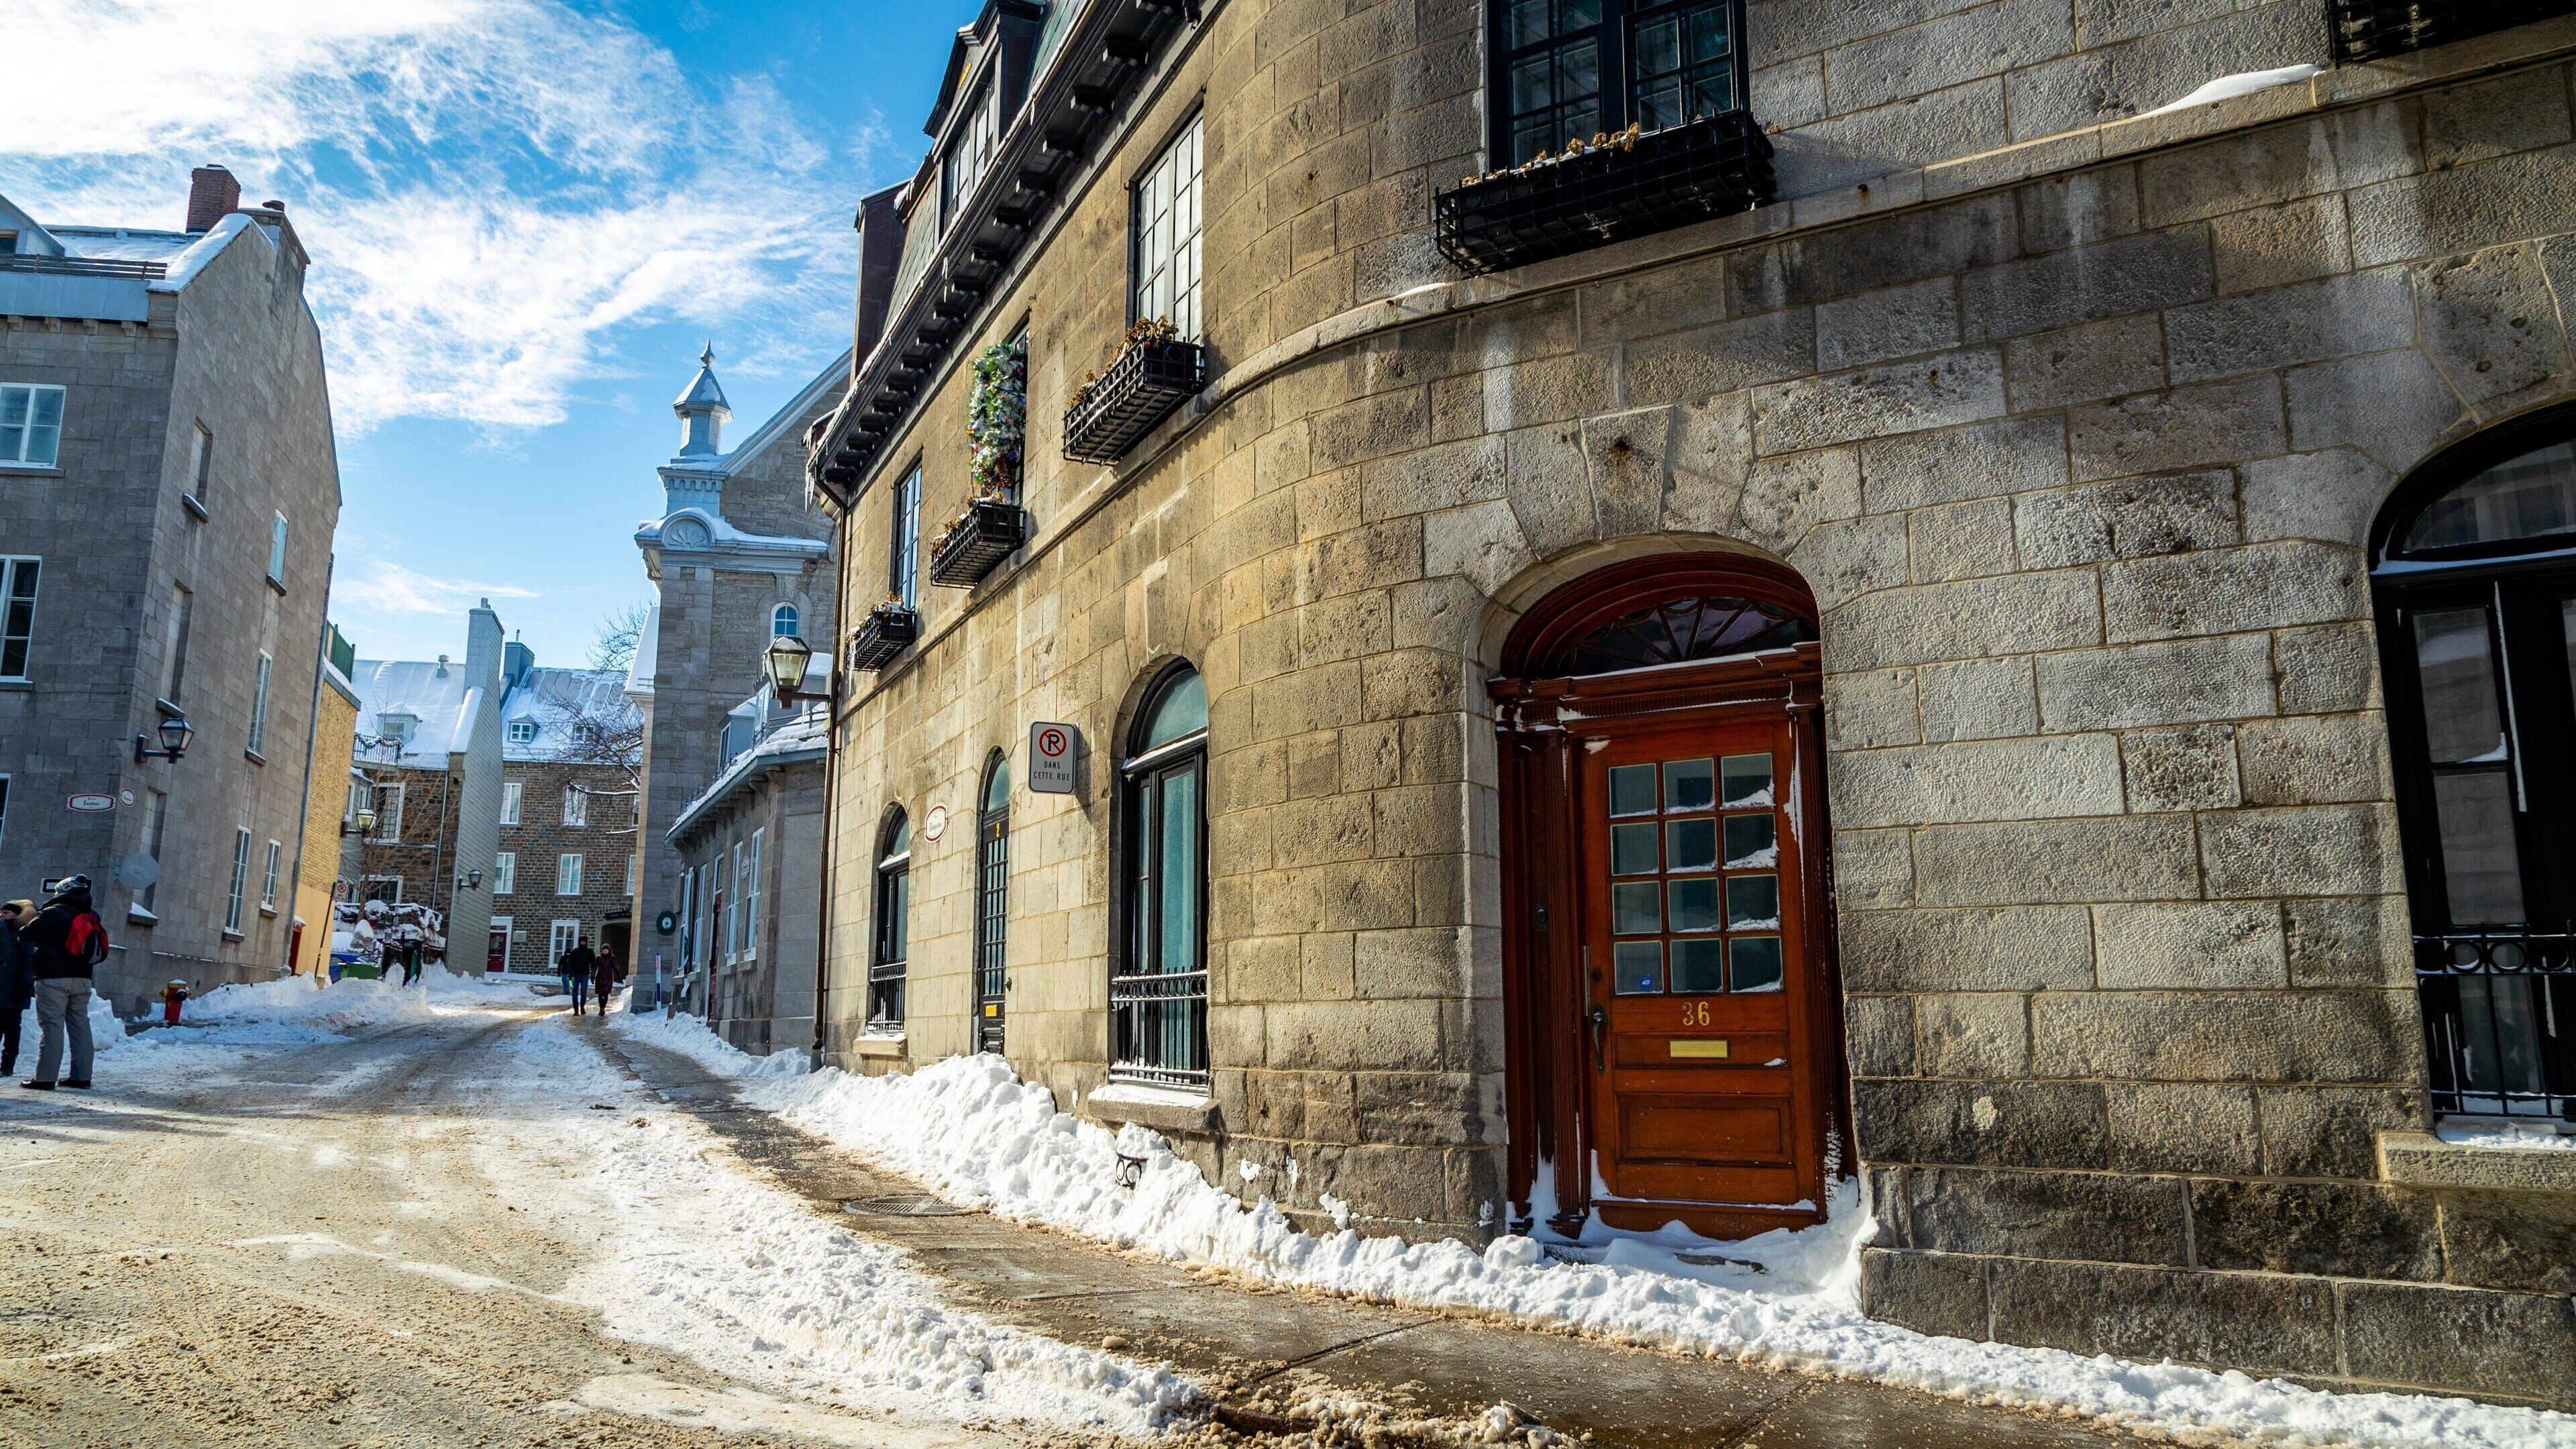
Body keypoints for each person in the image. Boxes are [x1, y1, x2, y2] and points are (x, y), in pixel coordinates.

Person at [18, 876, 107, 1090]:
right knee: (80, 1026)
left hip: (53, 979)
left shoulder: (54, 912)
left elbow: (26, 935)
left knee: (52, 1026)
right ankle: (81, 1077)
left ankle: (45, 1078)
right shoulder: (91, 915)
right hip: (83, 979)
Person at [0, 900, 34, 1079]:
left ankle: (7, 1065)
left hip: (14, 990)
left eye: (6, 913)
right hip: (5, 988)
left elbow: (29, 960)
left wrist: (25, 984)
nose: (2, 915)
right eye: (1, 912)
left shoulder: (21, 933)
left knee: (12, 1030)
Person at [559, 935, 594, 1014]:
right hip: (574, 975)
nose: (583, 943)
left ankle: (582, 1007)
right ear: (579, 942)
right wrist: (570, 973)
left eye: (584, 942)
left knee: (584, 992)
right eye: (581, 942)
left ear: (586, 942)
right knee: (574, 993)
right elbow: (569, 963)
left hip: (585, 975)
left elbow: (593, 964)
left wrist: (593, 974)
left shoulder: (590, 952)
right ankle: (576, 1009)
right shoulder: (575, 952)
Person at [589, 946, 619, 1017]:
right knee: (600, 994)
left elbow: (616, 968)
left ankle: (603, 1009)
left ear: (609, 950)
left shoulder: (612, 958)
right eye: (604, 949)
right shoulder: (599, 958)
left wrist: (619, 977)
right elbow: (595, 968)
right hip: (600, 978)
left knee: (605, 994)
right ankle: (601, 1008)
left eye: (606, 949)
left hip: (608, 978)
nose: (605, 951)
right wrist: (593, 976)